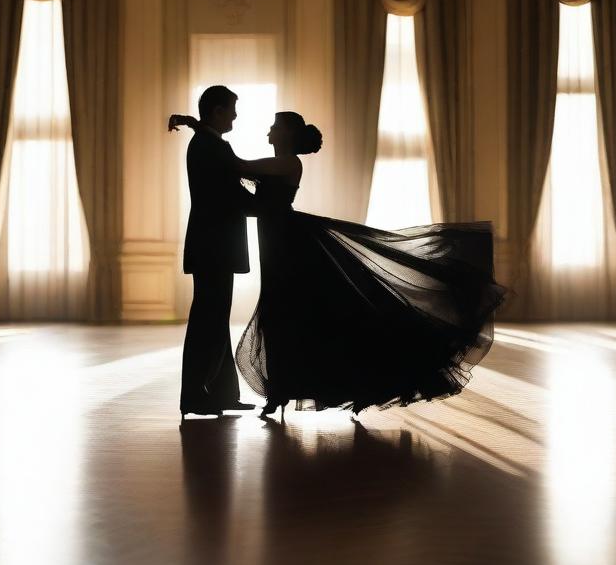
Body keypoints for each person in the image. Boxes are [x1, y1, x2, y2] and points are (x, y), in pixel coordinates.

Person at [169, 109, 506, 418]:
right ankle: (281, 390)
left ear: (286, 134)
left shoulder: (288, 163)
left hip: (288, 243)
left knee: (288, 311)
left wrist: (201, 127)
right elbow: (240, 173)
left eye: (275, 126)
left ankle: (283, 391)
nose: (269, 130)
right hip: (275, 243)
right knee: (280, 313)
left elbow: (237, 165)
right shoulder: (278, 161)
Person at [175, 85, 259, 419]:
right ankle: (196, 395)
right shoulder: (211, 146)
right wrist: (273, 206)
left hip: (211, 244)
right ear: (218, 111)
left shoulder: (207, 143)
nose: (236, 116)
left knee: (214, 319)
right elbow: (232, 194)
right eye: (232, 109)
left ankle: (220, 392)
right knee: (207, 321)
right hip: (215, 246)